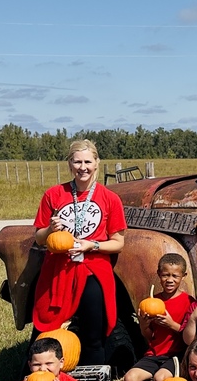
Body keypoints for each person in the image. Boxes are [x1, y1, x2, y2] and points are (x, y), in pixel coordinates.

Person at [31, 139, 127, 365]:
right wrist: (50, 230)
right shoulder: (54, 195)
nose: (82, 167)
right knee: (46, 328)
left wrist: (91, 245)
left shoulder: (109, 198)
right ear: (69, 164)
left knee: (94, 333)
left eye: (87, 161)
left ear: (96, 163)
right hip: (57, 270)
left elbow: (118, 242)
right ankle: (37, 380)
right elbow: (38, 237)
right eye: (77, 162)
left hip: (93, 269)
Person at [123, 253, 192, 381]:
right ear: (159, 274)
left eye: (175, 276)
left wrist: (172, 324)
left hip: (176, 354)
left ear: (183, 277)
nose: (169, 279)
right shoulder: (152, 302)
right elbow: (149, 336)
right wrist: (144, 325)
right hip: (155, 353)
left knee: (160, 379)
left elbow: (189, 336)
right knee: (130, 378)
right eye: (165, 275)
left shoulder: (188, 302)